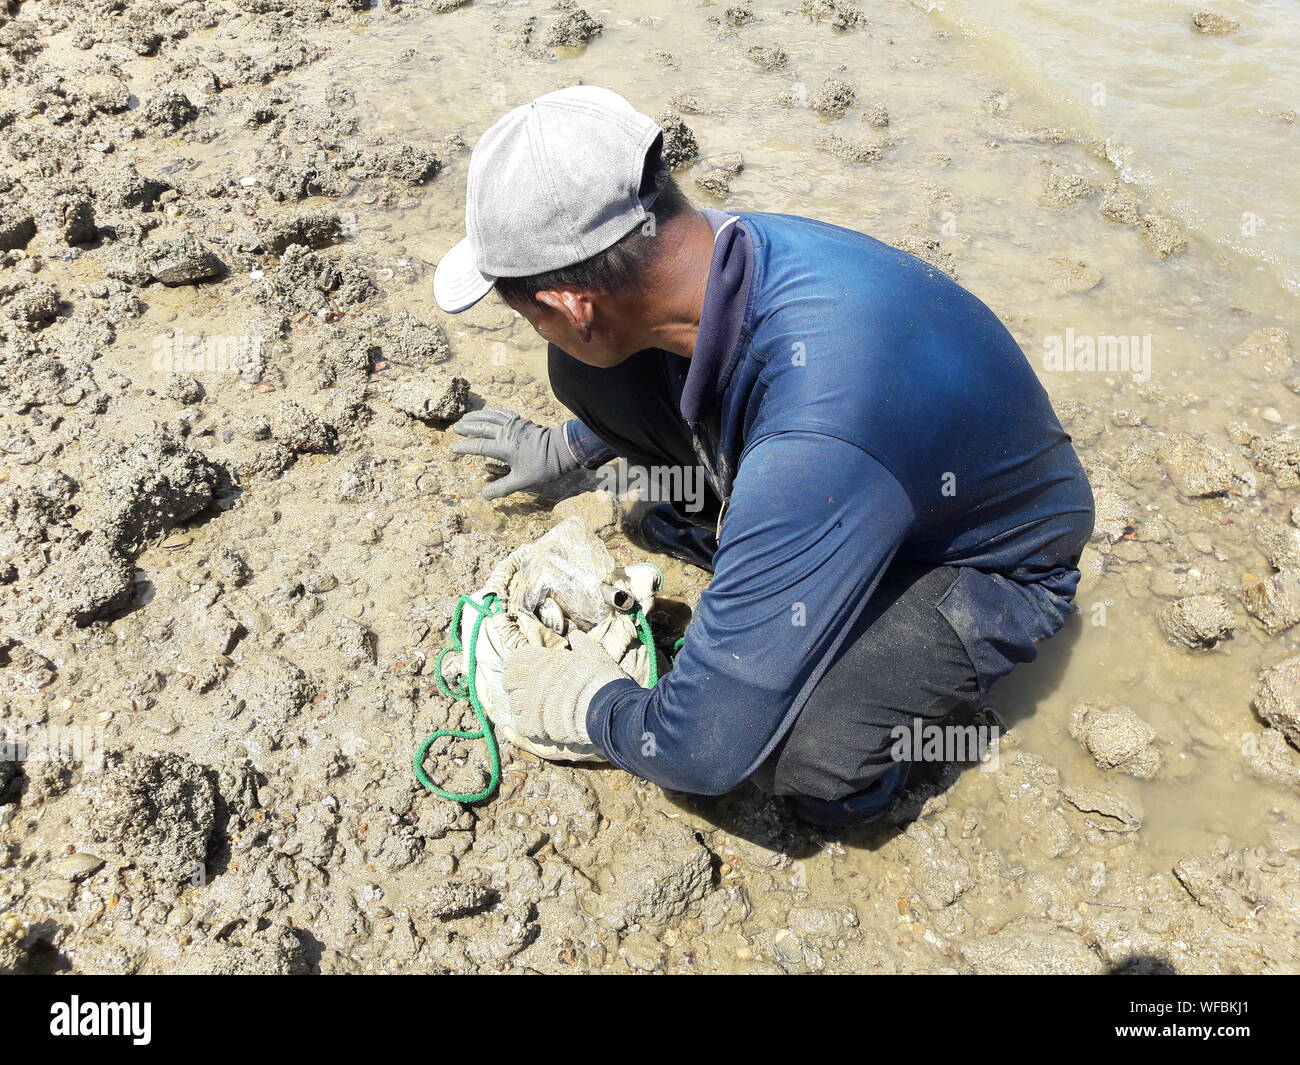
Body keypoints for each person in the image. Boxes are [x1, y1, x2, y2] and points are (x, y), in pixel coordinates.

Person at [433, 86, 1094, 826]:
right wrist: (567, 448)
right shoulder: (712, 249)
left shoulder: (823, 426)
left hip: (981, 559)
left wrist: (583, 698)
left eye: (529, 314)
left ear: (571, 305)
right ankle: (778, 557)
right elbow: (698, 377)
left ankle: (888, 744)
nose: (536, 330)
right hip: (850, 468)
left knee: (802, 758)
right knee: (590, 377)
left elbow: (700, 752)